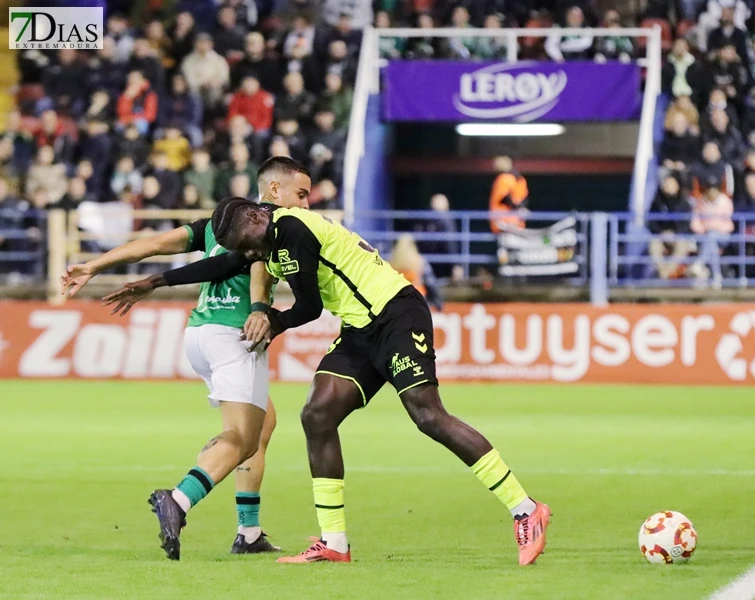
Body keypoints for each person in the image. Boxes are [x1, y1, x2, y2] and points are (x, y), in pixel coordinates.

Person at [127, 184, 551, 566]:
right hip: (360, 328)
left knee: (428, 416)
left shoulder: (292, 229)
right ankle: (335, 543)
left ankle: (525, 509)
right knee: (317, 414)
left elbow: (308, 307)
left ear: (257, 217)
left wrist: (273, 321)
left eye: (249, 246)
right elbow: (222, 267)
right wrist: (157, 281)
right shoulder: (268, 240)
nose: (251, 256)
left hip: (396, 314)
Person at [58, 156, 312, 561]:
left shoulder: (221, 220)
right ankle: (178, 499)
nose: (306, 205)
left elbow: (155, 244)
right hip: (235, 336)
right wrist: (259, 308)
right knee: (241, 441)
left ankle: (248, 532)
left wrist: (94, 264)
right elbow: (260, 270)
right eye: (302, 194)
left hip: (199, 334)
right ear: (274, 190)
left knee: (263, 421)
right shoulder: (273, 226)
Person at [489, 155, 529, 231]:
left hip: (503, 222)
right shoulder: (521, 180)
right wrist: (520, 208)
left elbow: (505, 197)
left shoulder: (503, 178)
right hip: (518, 222)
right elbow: (524, 199)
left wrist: (517, 208)